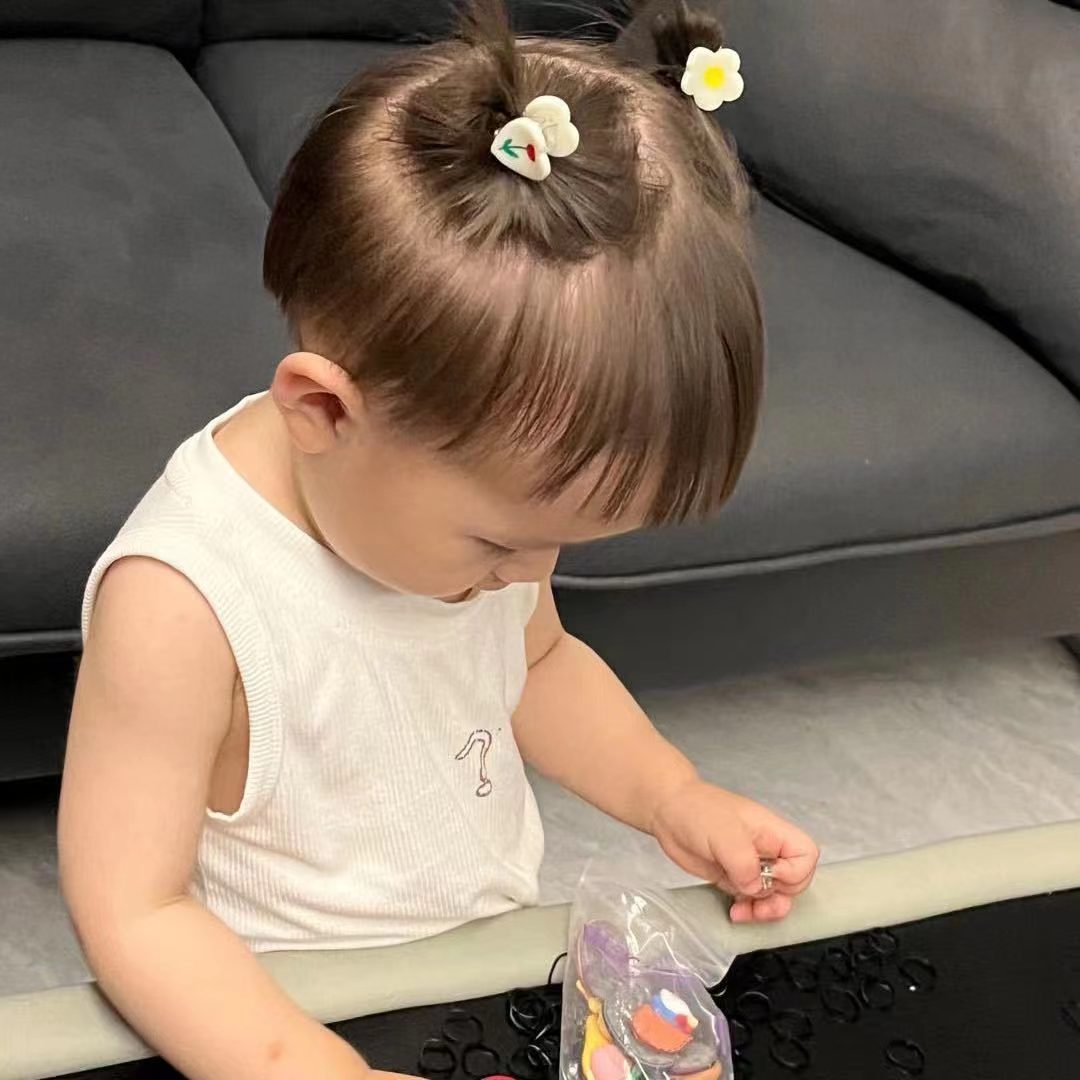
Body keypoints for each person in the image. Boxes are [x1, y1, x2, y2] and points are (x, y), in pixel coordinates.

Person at [58, 2, 819, 1076]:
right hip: (275, 1016)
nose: (529, 578)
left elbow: (538, 665)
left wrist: (670, 794)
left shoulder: (486, 536)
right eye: (502, 546)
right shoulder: (182, 603)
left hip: (469, 969)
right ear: (324, 412)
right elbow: (134, 910)